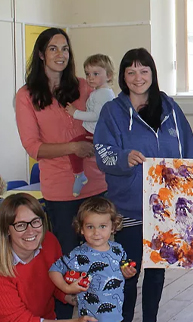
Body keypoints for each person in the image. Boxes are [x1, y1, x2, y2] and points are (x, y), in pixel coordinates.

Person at [94, 48, 193, 322]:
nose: (137, 77)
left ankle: (150, 318)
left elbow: (189, 151)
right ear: (123, 76)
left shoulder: (171, 108)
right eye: (131, 71)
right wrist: (122, 158)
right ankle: (124, 318)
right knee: (128, 270)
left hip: (163, 209)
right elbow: (102, 152)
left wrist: (192, 189)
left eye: (144, 71)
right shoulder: (112, 111)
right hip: (129, 208)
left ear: (153, 74)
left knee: (156, 270)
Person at [15, 28, 107, 318]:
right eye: (53, 49)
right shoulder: (26, 95)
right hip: (60, 192)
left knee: (101, 262)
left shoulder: (83, 85)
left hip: (98, 185)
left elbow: (108, 113)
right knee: (69, 264)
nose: (60, 55)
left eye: (65, 49)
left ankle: (100, 313)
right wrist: (72, 147)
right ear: (41, 53)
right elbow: (33, 146)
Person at [0, 193, 97, 322]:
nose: (30, 231)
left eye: (35, 222)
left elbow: (54, 282)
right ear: (7, 229)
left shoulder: (49, 242)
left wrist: (74, 297)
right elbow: (18, 319)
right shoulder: (3, 268)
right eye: (21, 225)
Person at [49, 196, 136, 322]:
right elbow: (54, 269)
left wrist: (127, 273)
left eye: (102, 226)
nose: (96, 232)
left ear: (113, 227)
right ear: (81, 229)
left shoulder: (118, 250)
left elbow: (119, 274)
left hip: (116, 316)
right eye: (90, 227)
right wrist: (66, 288)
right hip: (90, 319)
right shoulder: (77, 254)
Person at [65, 54, 116, 197]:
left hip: (95, 133)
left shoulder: (103, 94)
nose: (90, 78)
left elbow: (95, 115)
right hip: (96, 131)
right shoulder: (100, 92)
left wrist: (75, 113)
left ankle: (79, 175)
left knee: (74, 145)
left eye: (96, 74)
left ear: (109, 75)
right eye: (88, 74)